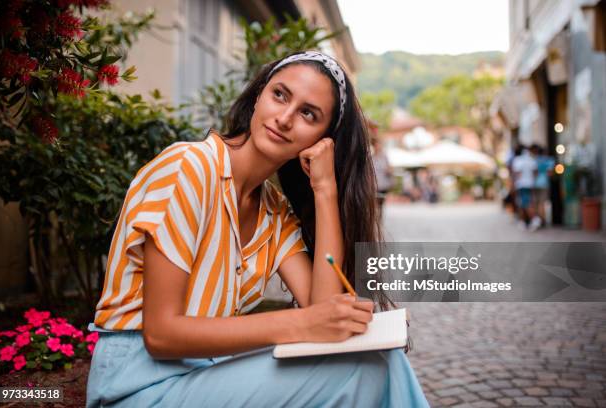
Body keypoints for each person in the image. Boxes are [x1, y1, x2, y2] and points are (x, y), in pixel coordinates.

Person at [86, 51, 429, 407]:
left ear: (322, 140)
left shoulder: (274, 213)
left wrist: (326, 189)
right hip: (136, 386)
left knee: (379, 361)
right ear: (258, 96)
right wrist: (300, 323)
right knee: (366, 369)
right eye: (279, 95)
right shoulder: (188, 168)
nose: (284, 118)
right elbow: (161, 334)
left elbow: (324, 310)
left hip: (204, 376)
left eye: (308, 114)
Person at [511, 145, 537, 230]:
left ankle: (534, 219)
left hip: (521, 184)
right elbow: (535, 172)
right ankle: (525, 221)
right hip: (530, 184)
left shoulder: (517, 160)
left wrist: (514, 184)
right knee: (526, 203)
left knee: (525, 203)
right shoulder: (531, 159)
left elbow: (517, 174)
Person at [531, 144, 554, 228]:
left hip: (535, 183)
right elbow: (550, 173)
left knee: (536, 203)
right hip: (544, 183)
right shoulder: (549, 160)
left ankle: (538, 220)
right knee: (542, 203)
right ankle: (542, 220)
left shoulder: (535, 160)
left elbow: (534, 172)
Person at [371, 137, 393, 221]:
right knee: (375, 202)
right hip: (373, 184)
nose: (378, 147)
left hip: (383, 184)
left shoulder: (384, 157)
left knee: (380, 203)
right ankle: (376, 217)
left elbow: (390, 168)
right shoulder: (371, 157)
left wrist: (388, 171)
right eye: (376, 145)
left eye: (379, 145)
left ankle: (379, 217)